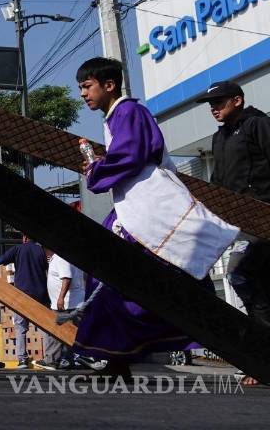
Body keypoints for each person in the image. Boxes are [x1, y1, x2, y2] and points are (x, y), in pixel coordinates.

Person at [74, 57, 239, 380]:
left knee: (163, 280)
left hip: (150, 209)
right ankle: (115, 357)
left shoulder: (129, 112)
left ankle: (238, 343)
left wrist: (97, 169)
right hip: (135, 209)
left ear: (109, 85)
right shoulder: (117, 115)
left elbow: (132, 155)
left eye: (87, 86)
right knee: (113, 278)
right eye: (81, 88)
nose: (83, 94)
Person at [197, 80, 270, 330]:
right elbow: (217, 182)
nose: (213, 109)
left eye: (218, 102)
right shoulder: (219, 138)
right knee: (259, 279)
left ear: (237, 100)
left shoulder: (257, 124)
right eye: (210, 105)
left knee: (239, 273)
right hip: (239, 221)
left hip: (263, 217)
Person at [0, 235, 48, 369]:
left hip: (22, 295)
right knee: (45, 328)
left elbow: (0, 260)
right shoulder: (42, 251)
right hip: (41, 295)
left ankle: (22, 360)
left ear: (24, 238)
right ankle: (48, 358)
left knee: (21, 327)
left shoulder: (18, 249)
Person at [38, 248, 84, 370]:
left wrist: (60, 298)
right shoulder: (60, 257)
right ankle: (68, 359)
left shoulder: (60, 258)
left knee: (56, 332)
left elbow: (67, 278)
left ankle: (52, 360)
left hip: (67, 304)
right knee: (69, 334)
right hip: (70, 303)